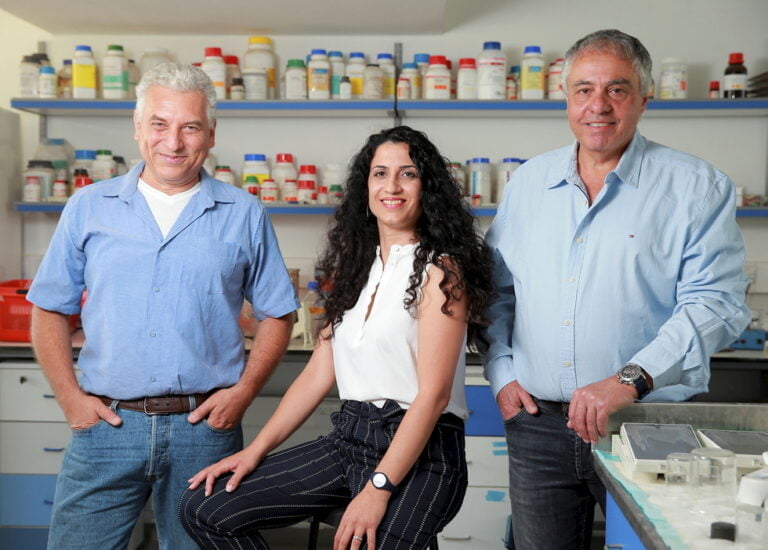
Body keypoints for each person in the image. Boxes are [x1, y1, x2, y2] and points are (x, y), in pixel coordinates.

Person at [481, 29, 751, 550]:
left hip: (646, 427)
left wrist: (629, 380)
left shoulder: (696, 187)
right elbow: (497, 291)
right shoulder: (528, 184)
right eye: (584, 89)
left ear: (645, 98)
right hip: (539, 427)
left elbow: (716, 303)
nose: (598, 105)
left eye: (617, 89)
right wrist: (501, 372)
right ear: (566, 96)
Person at [180, 125, 494, 550]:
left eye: (408, 174)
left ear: (428, 188)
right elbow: (316, 375)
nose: (392, 186)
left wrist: (378, 488)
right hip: (351, 438)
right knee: (204, 507)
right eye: (380, 174)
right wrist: (255, 451)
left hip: (425, 452)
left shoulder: (442, 271)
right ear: (366, 187)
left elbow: (433, 396)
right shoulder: (355, 271)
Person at [27, 62, 298, 550]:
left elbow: (278, 314)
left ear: (210, 135)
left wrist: (243, 393)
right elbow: (48, 309)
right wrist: (69, 398)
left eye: (190, 127)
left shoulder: (244, 212)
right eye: (159, 124)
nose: (173, 142)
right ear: (138, 127)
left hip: (205, 430)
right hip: (106, 426)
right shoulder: (89, 206)